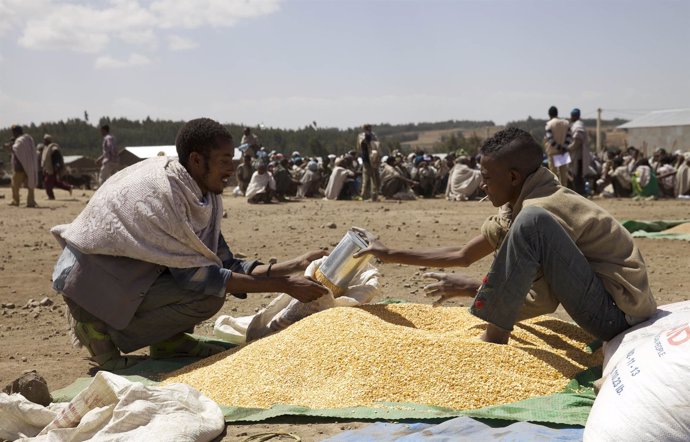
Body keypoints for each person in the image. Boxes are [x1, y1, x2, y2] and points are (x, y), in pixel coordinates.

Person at [50, 118, 328, 370]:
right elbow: (199, 276)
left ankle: (168, 341)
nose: (232, 168)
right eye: (224, 160)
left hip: (121, 278)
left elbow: (222, 261)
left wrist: (293, 266)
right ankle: (97, 329)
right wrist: (286, 286)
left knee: (207, 281)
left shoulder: (200, 193)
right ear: (197, 160)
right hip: (89, 285)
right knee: (208, 295)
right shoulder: (165, 196)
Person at [355, 127, 656, 344]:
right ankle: (493, 329)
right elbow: (463, 255)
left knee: (533, 221)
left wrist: (477, 290)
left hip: (618, 318)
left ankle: (493, 340)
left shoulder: (541, 211)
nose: (483, 186)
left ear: (513, 177)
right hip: (603, 305)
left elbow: (541, 302)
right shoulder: (525, 203)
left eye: (487, 178)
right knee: (529, 221)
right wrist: (386, 252)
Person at [5, 125, 38, 207]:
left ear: (16, 132)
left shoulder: (20, 140)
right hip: (29, 165)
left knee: (15, 184)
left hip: (20, 167)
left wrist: (9, 147)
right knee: (30, 185)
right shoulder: (28, 139)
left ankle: (16, 201)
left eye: (13, 132)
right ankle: (31, 202)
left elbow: (16, 149)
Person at [543, 106, 572, 186]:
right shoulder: (566, 123)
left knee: (553, 175)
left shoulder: (549, 124)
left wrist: (558, 147)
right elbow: (569, 137)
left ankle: (555, 194)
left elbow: (550, 139)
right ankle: (564, 193)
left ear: (549, 115)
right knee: (564, 175)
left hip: (553, 152)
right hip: (563, 152)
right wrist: (563, 147)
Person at [568, 108, 592, 195]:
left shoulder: (578, 126)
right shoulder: (577, 125)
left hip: (578, 157)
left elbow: (577, 142)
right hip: (578, 156)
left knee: (577, 177)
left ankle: (580, 194)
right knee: (576, 177)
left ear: (574, 116)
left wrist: (568, 148)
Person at [41, 134, 73, 200]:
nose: (44, 141)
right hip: (48, 169)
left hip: (52, 169)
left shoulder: (53, 148)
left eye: (45, 140)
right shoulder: (46, 148)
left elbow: (57, 156)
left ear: (47, 140)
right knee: (55, 182)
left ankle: (51, 196)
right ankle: (69, 187)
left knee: (47, 182)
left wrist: (57, 165)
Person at [357, 124, 380, 201]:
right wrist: (367, 136)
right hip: (366, 159)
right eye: (367, 128)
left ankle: (374, 195)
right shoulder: (361, 136)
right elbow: (362, 144)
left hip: (374, 159)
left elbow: (377, 145)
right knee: (367, 178)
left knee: (376, 178)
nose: (369, 129)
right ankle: (364, 195)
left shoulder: (373, 135)